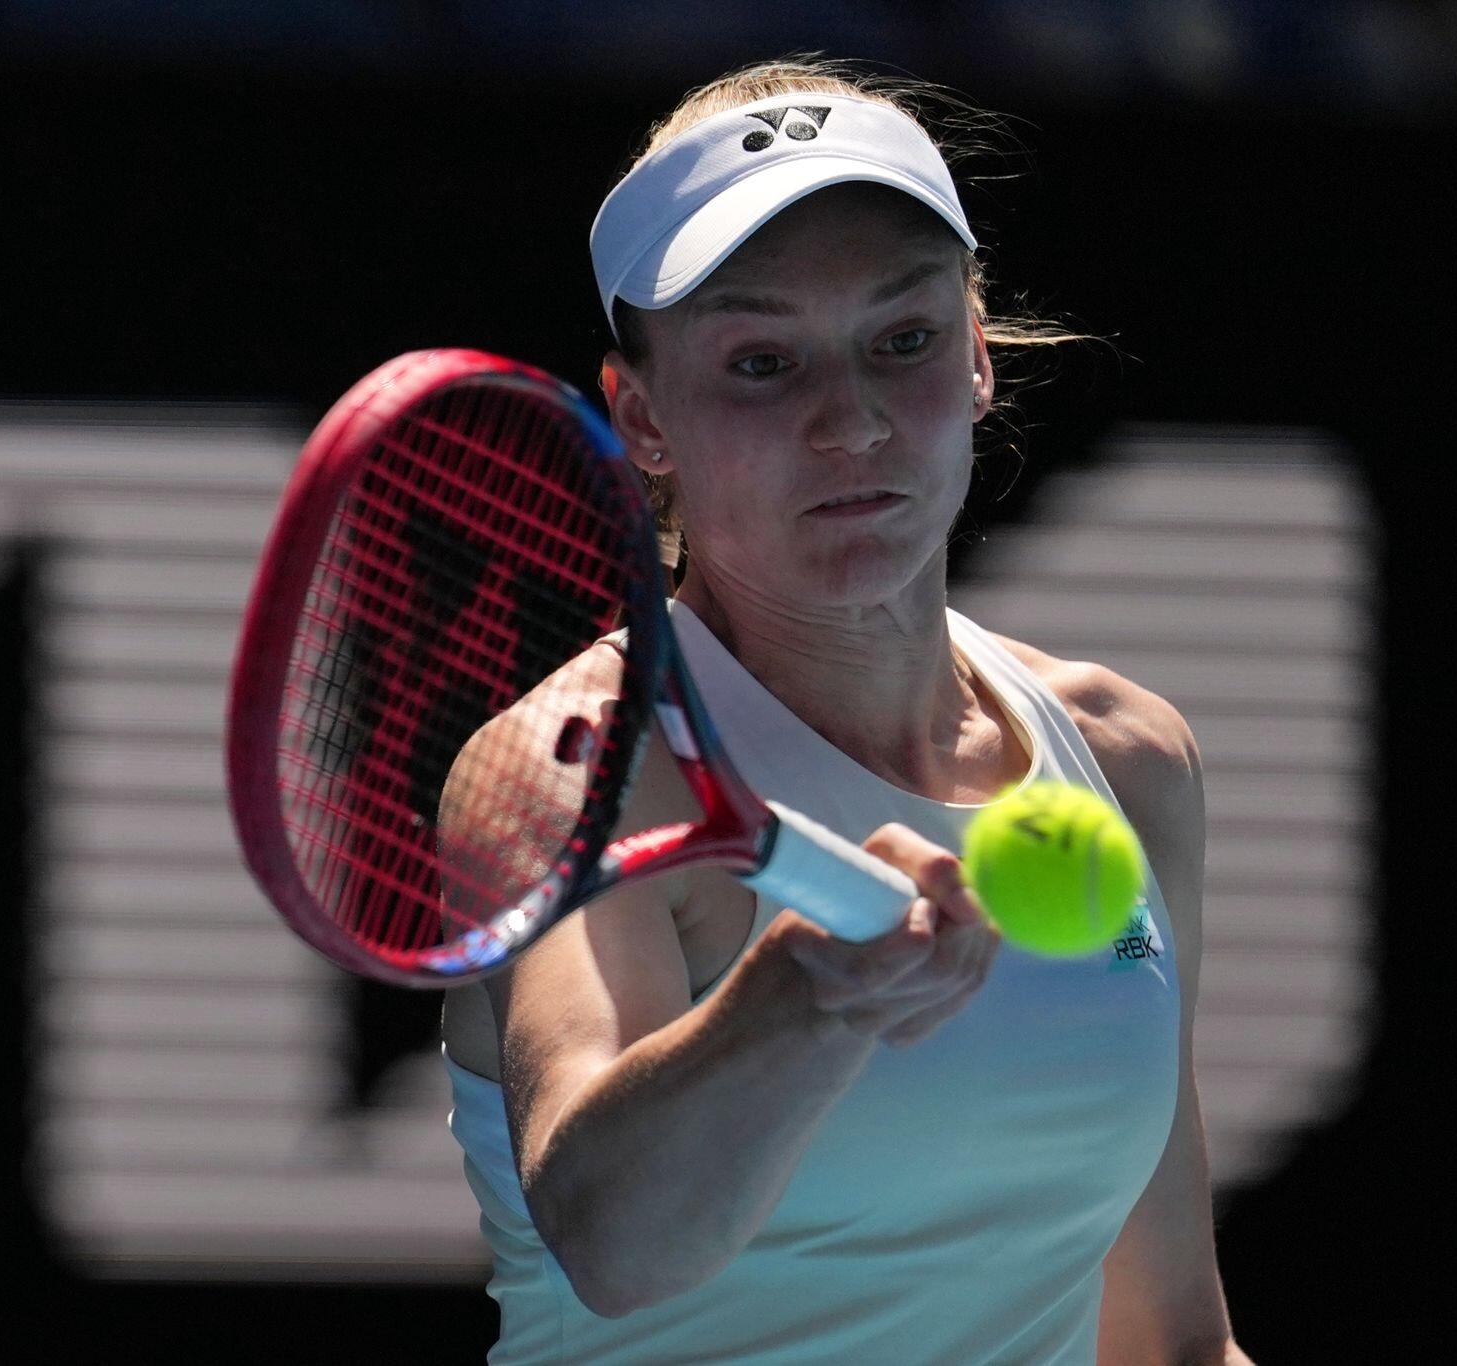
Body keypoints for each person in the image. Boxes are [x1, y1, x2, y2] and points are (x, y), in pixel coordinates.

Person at [441, 57, 1255, 1365]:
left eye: (904, 338)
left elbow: (1169, 1335)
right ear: (641, 416)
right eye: (763, 361)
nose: (852, 420)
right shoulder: (579, 768)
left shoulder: (1127, 760)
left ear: (977, 356)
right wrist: (800, 1007)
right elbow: (612, 1242)